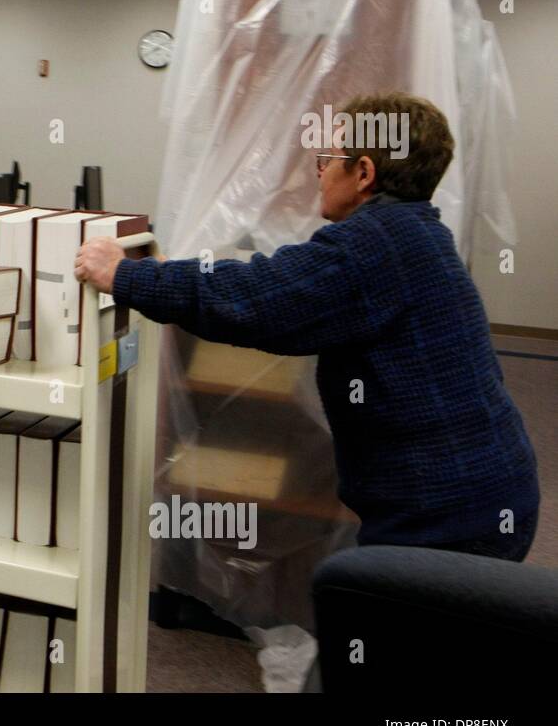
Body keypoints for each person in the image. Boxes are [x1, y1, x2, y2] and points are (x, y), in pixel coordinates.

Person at [74, 92, 539, 560]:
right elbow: (281, 286)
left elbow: (256, 299)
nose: (319, 170)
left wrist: (123, 275)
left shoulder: (374, 243)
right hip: (476, 492)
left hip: (448, 516)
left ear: (363, 173)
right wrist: (171, 272)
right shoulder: (413, 231)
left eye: (327, 158)